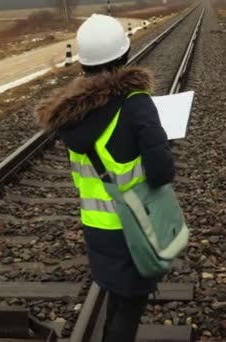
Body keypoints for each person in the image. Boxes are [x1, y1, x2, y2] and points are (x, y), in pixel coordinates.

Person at [35, 14, 175, 342]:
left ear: (84, 64)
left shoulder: (71, 115)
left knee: (117, 293)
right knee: (130, 306)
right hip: (135, 225)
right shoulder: (136, 105)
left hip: (97, 226)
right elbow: (161, 172)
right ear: (125, 56)